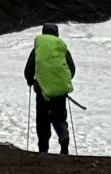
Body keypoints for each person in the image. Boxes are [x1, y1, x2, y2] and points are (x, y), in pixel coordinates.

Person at [24, 22, 75, 154]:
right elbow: (72, 69)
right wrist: (62, 83)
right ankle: (63, 137)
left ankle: (43, 149)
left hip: (42, 91)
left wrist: (32, 81)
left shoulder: (37, 50)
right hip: (59, 93)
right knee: (59, 117)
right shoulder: (62, 49)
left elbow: (28, 70)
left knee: (42, 120)